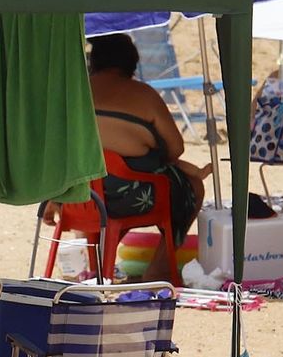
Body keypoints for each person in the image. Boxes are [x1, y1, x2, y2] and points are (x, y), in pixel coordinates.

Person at [78, 34, 209, 281]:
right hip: (131, 198)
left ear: (93, 60)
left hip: (78, 196)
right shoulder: (144, 95)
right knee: (191, 187)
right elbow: (176, 148)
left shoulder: (74, 91)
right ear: (131, 63)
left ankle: (99, 265)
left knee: (102, 183)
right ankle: (158, 267)